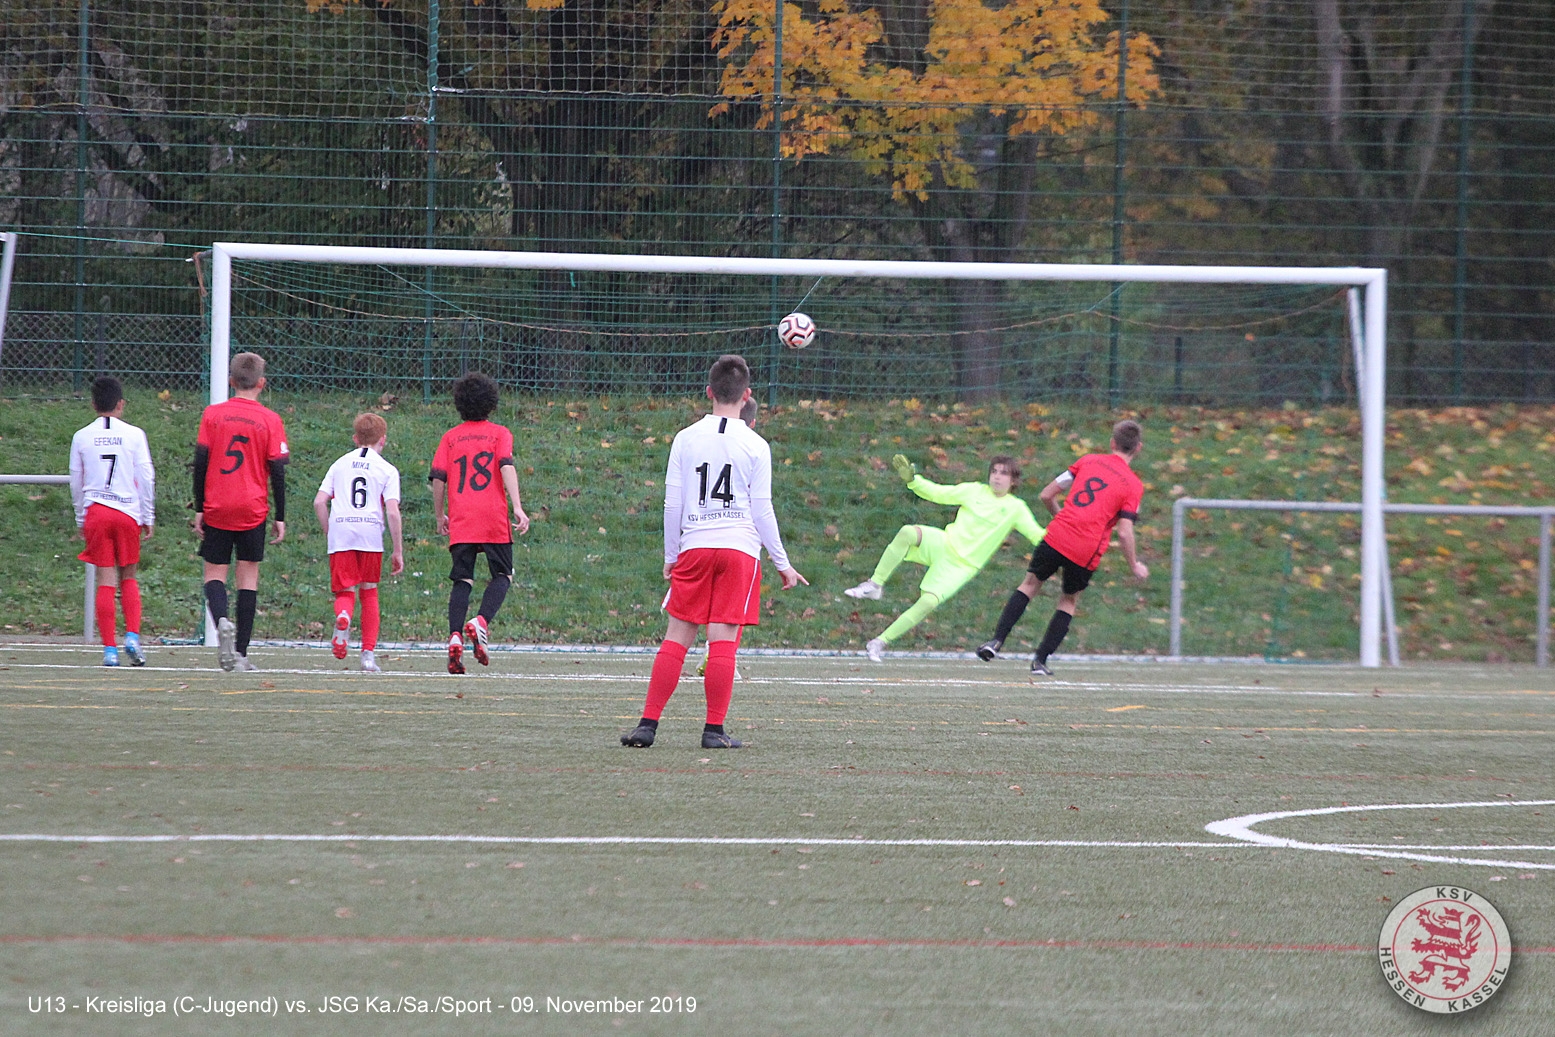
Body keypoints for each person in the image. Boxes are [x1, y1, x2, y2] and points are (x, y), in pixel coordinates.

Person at [621, 356, 806, 749]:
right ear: (747, 395)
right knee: (722, 639)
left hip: (696, 545)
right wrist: (783, 563)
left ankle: (647, 725)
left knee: (677, 636)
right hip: (739, 549)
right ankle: (713, 731)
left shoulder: (685, 438)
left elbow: (672, 504)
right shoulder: (756, 445)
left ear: (709, 392)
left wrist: (671, 554)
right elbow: (762, 509)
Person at [977, 419, 1149, 676]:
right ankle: (1040, 661)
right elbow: (1124, 532)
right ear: (1138, 448)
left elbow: (1047, 494)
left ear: (1112, 443)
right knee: (1068, 600)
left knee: (1029, 585)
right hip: (1086, 548)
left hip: (1057, 535)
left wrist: (1062, 518)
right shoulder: (1133, 485)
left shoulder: (1087, 461)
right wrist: (1134, 565)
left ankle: (996, 641)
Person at [845, 455, 1045, 662]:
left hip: (962, 566)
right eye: (994, 471)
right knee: (908, 532)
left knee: (928, 602)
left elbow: (1037, 536)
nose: (997, 477)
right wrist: (913, 480)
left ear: (1013, 480)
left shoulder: (1016, 508)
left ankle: (879, 641)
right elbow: (938, 493)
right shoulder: (974, 490)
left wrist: (1063, 536)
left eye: (1003, 473)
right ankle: (875, 584)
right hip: (944, 543)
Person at [193, 351, 288, 672]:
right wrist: (280, 516)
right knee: (248, 577)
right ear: (262, 383)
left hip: (218, 505)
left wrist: (200, 507)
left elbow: (201, 463)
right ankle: (241, 654)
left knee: (214, 574)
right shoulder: (270, 420)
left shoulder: (213, 415)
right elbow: (278, 471)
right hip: (252, 508)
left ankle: (221, 620)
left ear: (231, 381)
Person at [430, 372, 530, 675]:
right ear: (491, 403)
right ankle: (481, 621)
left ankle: (455, 636)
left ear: (459, 404)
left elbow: (438, 478)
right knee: (503, 574)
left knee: (463, 580)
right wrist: (518, 506)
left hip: (462, 518)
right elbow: (505, 465)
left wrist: (439, 515)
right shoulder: (500, 433)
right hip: (492, 517)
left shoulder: (450, 437)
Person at [69, 376, 156, 667]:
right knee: (128, 576)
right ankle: (132, 636)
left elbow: (76, 480)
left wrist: (81, 516)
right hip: (126, 512)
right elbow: (146, 476)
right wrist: (147, 514)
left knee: (105, 580)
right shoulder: (134, 435)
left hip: (97, 512)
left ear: (93, 404)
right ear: (121, 404)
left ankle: (109, 650)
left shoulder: (82, 436)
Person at [314, 413, 404, 673]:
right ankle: (367, 656)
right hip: (370, 534)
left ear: (355, 439)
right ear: (383, 440)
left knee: (345, 592)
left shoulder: (339, 464)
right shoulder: (387, 469)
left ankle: (343, 616)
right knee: (369, 592)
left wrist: (329, 531)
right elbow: (392, 512)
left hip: (341, 531)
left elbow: (319, 502)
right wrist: (398, 550)